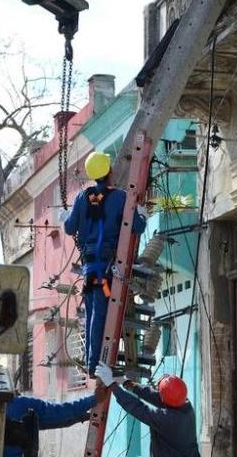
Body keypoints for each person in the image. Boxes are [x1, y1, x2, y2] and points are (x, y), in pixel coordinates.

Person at [60, 151, 147, 377]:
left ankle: (92, 364)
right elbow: (137, 227)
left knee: (92, 316)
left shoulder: (82, 197)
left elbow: (69, 228)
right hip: (108, 268)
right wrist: (142, 214)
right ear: (109, 171)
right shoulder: (120, 197)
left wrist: (72, 214)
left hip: (90, 268)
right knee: (100, 315)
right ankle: (96, 367)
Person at [94, 363, 199, 457]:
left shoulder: (169, 420)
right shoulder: (184, 404)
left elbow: (138, 408)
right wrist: (127, 383)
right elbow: (156, 396)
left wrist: (112, 385)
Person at [4, 385, 108, 457]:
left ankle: (83, 416)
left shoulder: (16, 407)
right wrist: (93, 400)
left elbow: (56, 418)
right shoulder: (17, 405)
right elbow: (58, 413)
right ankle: (83, 415)